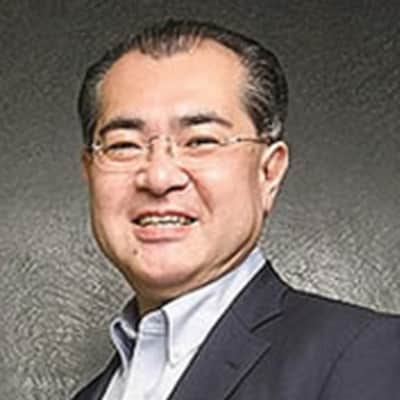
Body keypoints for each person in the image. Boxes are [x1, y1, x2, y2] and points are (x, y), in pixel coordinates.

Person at [71, 19, 400, 400]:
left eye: (200, 141)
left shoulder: (367, 356)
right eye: (124, 145)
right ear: (89, 172)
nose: (159, 177)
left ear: (268, 172)